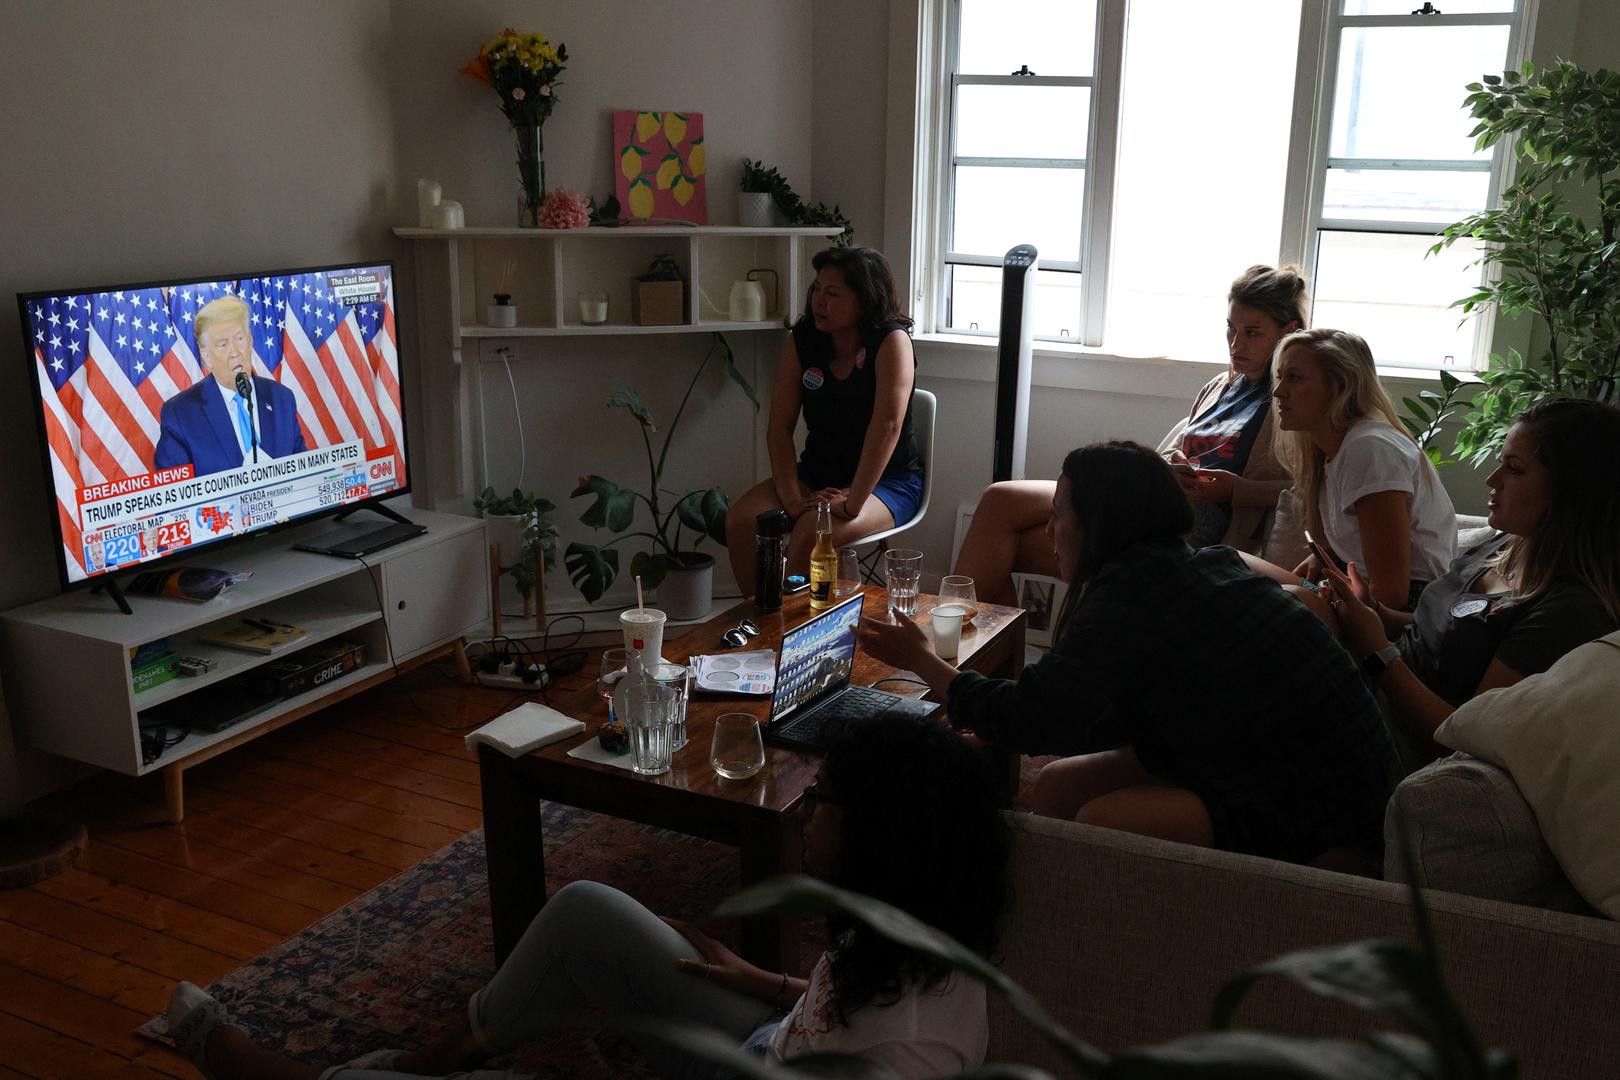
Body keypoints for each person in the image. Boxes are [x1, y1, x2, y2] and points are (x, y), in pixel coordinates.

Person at [161, 713, 1010, 1079]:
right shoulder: (905, 928)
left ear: (877, 837)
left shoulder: (904, 1048)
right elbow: (835, 1011)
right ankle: (429, 1057)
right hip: (766, 1043)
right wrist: (762, 982)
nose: (810, 811)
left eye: (822, 799)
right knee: (585, 909)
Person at [857, 441, 1399, 865]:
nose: (1049, 530)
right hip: (1247, 752)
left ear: (1098, 524)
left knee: (1102, 820)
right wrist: (1000, 720)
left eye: (1059, 515)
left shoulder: (1135, 596)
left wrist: (925, 661)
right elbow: (1096, 705)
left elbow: (1039, 717)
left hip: (1320, 804)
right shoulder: (1179, 565)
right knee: (1054, 787)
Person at [953, 265, 1307, 606]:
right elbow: (1171, 454)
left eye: (1252, 333)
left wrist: (1235, 490)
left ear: (1287, 332)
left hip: (1179, 532)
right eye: (1231, 328)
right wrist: (1172, 468)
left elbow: (1302, 488)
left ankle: (952, 637)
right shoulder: (1219, 387)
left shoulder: (1288, 402)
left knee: (1004, 544)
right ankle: (968, 641)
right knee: (999, 499)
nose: (1236, 344)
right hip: (1152, 503)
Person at [1315, 398, 1620, 771]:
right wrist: (1374, 612)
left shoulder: (1569, 612)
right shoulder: (1507, 544)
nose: (1491, 480)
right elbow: (1441, 628)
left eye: (1514, 469)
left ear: (1572, 491)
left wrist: (1376, 651)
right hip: (1373, 681)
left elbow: (1460, 739)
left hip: (1395, 733)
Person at [724, 246, 923, 595]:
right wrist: (791, 500)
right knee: (741, 521)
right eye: (817, 289)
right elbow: (779, 428)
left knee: (811, 532)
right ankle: (761, 617)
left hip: (886, 483)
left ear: (865, 299)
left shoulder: (892, 341)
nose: (819, 301)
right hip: (817, 475)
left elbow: (888, 427)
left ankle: (793, 625)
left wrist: (853, 501)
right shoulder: (803, 340)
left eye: (833, 294)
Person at [1243, 328, 1456, 612]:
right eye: (1280, 377)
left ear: (1339, 386)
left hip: (1408, 609)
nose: (1278, 391)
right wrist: (1328, 557)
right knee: (1234, 561)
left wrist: (1328, 597)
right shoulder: (1336, 452)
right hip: (1355, 595)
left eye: (1294, 378)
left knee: (1274, 591)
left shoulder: (1369, 449)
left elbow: (1391, 595)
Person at [153, 294, 306, 475]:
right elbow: (176, 487)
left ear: (250, 341)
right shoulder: (180, 414)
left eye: (239, 339)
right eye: (223, 345)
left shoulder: (281, 398)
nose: (234, 352)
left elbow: (302, 470)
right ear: (206, 357)